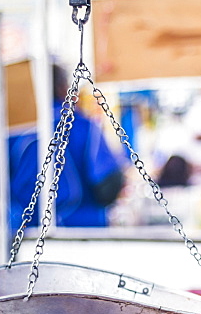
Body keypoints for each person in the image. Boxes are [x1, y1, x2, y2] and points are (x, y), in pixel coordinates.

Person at [7, 66, 126, 230]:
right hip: (82, 231)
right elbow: (108, 184)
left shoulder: (11, 132)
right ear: (62, 87)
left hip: (23, 233)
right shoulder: (83, 126)